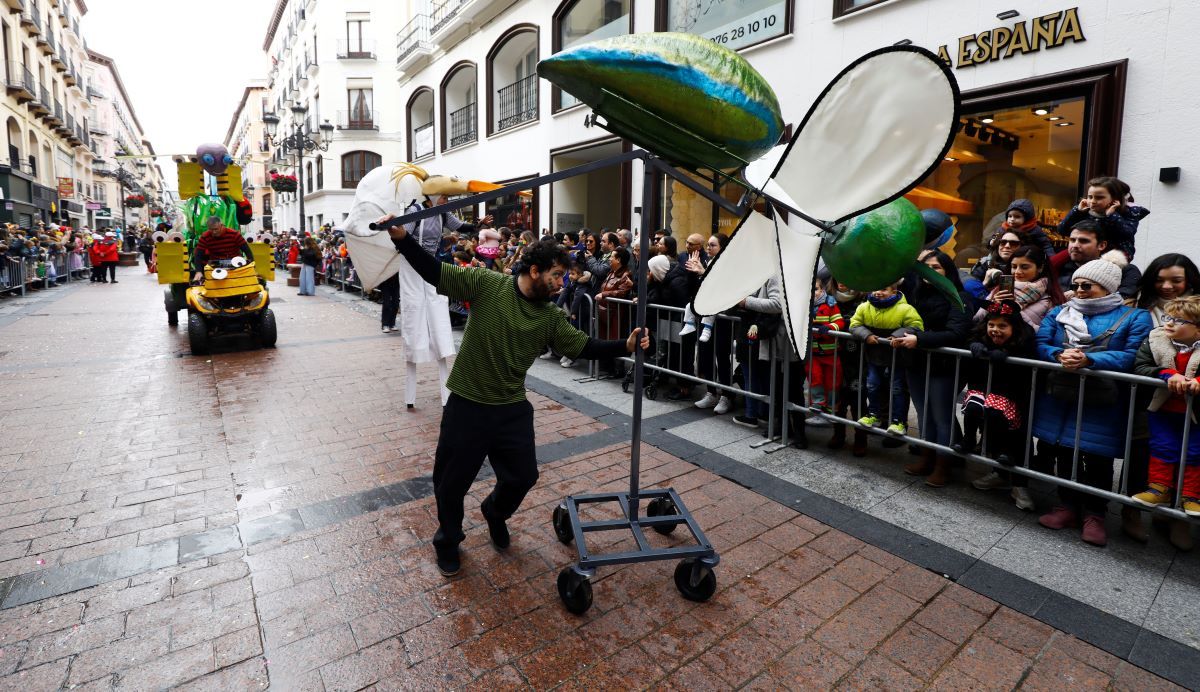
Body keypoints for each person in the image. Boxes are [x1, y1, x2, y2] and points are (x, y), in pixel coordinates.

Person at [380, 216, 651, 576]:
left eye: (564, 277)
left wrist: (625, 345)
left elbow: (583, 346)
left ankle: (494, 512)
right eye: (556, 276)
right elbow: (434, 272)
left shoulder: (551, 317)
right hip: (468, 404)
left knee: (523, 477)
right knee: (451, 483)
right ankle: (448, 539)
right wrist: (401, 238)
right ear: (535, 270)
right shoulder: (486, 284)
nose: (560, 284)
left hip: (510, 409)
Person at [1034, 257, 1152, 547]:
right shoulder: (1061, 311)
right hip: (1061, 395)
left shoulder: (1135, 317)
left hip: (1104, 400)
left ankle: (1095, 514)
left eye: (1087, 285)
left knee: (1098, 457)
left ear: (1108, 286)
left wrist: (1090, 360)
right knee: (1063, 450)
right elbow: (1041, 343)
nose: (1079, 290)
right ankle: (1067, 506)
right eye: (1076, 285)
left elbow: (1133, 354)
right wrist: (1058, 356)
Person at [1122, 253, 1200, 543]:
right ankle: (1132, 512)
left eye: (1176, 280)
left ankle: (1177, 519)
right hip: (1147, 398)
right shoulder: (1138, 308)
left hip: (1191, 405)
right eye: (1160, 279)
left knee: (1189, 457)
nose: (1167, 286)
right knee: (1144, 452)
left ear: (1189, 280)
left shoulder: (1198, 310)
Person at [897, 251, 971, 487]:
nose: (930, 272)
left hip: (943, 366)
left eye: (936, 267)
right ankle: (927, 456)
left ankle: (943, 465)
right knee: (923, 413)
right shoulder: (914, 294)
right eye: (926, 267)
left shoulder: (959, 297)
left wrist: (920, 340)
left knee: (942, 417)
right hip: (915, 364)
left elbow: (956, 333)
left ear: (948, 271)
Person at [961, 300, 1039, 511]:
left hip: (1017, 396)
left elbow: (1031, 357)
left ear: (1014, 327)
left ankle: (1020, 485)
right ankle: (998, 473)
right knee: (983, 417)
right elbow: (969, 339)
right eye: (992, 325)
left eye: (1002, 326)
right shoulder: (981, 336)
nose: (995, 330)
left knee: (1017, 439)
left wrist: (1009, 356)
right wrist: (975, 346)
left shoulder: (1026, 338)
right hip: (987, 393)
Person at [849, 282, 924, 438]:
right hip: (874, 357)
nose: (878, 292)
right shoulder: (864, 307)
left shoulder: (906, 309)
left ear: (894, 291)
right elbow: (854, 324)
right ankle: (873, 414)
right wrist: (866, 335)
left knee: (897, 389)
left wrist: (898, 335)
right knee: (872, 385)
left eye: (883, 289)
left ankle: (899, 421)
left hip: (897, 359)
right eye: (876, 288)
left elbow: (916, 326)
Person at [1053, 176, 1148, 262]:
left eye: (1099, 197)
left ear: (1115, 199)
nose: (1093, 201)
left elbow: (1127, 233)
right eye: (1090, 197)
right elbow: (1062, 230)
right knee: (1054, 262)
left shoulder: (1128, 212)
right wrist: (1076, 212)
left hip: (1115, 254)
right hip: (1086, 251)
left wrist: (1112, 215)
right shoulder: (1084, 211)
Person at [975, 245, 1064, 330]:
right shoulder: (999, 290)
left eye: (1024, 267)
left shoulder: (1051, 299)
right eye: (1013, 267)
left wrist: (1013, 310)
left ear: (1040, 268)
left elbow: (1045, 334)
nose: (1017, 271)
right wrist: (994, 305)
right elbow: (977, 320)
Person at [1056, 219, 1141, 299]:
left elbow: (1125, 301)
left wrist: (1080, 295)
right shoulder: (1057, 268)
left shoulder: (1126, 271)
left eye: (1084, 241)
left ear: (1101, 245)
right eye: (1072, 240)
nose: (1075, 245)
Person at [808, 276, 846, 416]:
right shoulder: (804, 305)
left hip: (831, 353)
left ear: (822, 289)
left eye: (816, 289)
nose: (813, 293)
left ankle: (831, 406)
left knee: (833, 382)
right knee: (815, 377)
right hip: (813, 353)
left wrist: (829, 327)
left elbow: (840, 322)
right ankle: (818, 403)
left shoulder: (830, 304)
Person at [595, 247, 634, 378]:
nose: (610, 259)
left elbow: (622, 293)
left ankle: (618, 369)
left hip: (616, 314)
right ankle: (607, 367)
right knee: (605, 339)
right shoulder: (611, 272)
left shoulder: (626, 274)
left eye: (612, 257)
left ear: (619, 260)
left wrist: (605, 294)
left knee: (616, 339)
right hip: (605, 312)